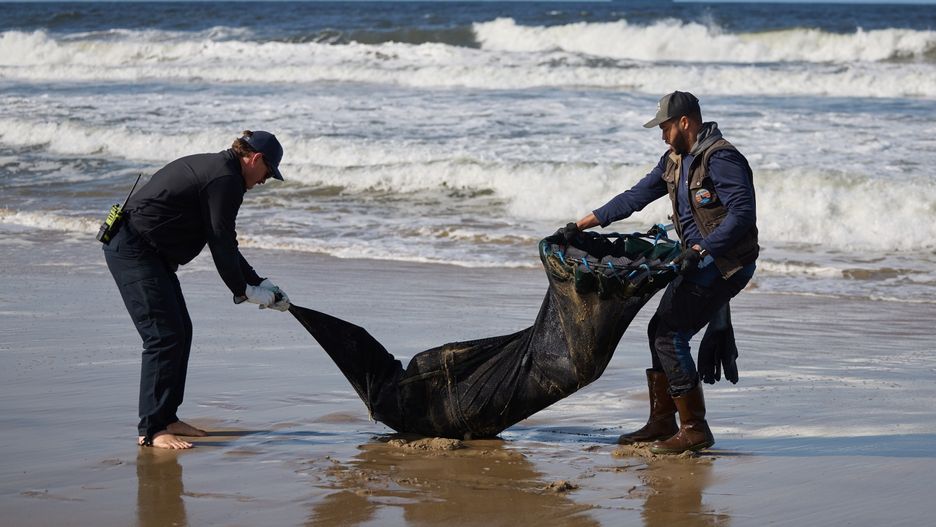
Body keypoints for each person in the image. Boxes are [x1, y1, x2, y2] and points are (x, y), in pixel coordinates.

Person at [568, 91, 758, 454]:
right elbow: (634, 197)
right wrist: (581, 224)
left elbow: (742, 215)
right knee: (661, 330)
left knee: (670, 335)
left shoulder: (721, 159)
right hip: (698, 260)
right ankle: (661, 422)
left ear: (685, 122)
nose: (661, 134)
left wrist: (702, 248)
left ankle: (694, 429)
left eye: (665, 126)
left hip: (726, 263)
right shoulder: (673, 160)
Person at [103, 130, 291, 449]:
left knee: (181, 331)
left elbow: (223, 241)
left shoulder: (222, 172)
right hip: (133, 248)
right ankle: (151, 429)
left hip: (147, 251)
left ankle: (167, 417)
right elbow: (220, 242)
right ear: (256, 159)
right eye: (268, 173)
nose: (264, 180)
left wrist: (257, 283)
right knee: (163, 336)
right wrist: (244, 291)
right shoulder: (225, 179)